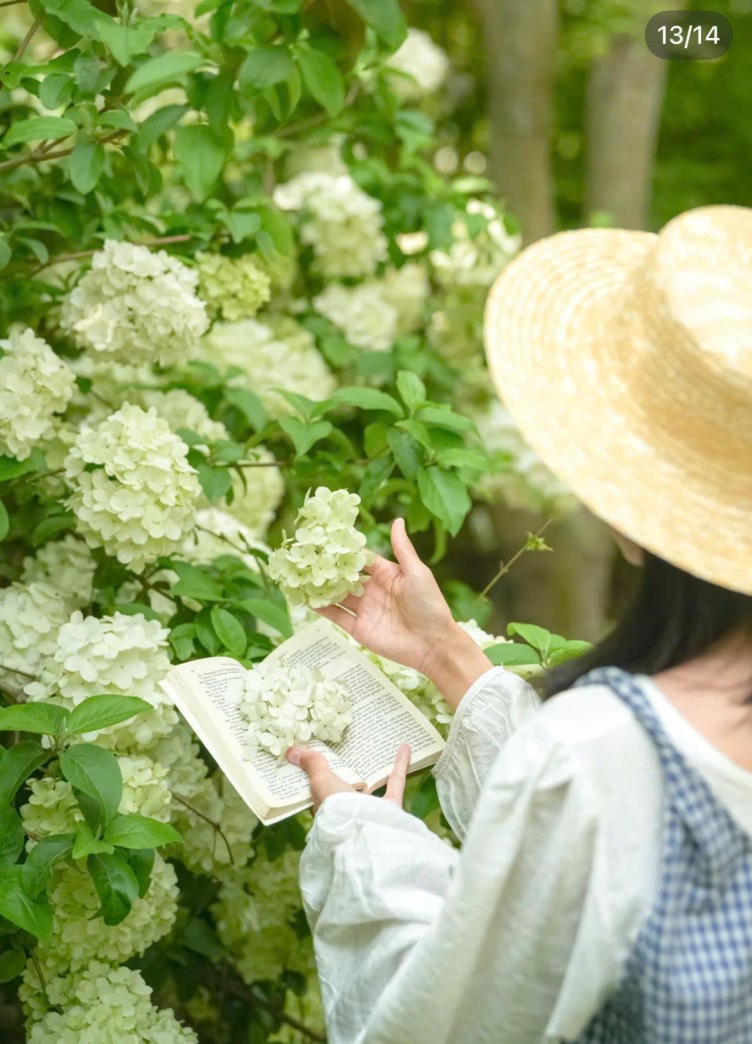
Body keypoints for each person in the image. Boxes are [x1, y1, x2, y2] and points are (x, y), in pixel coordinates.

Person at [285, 205, 752, 1043]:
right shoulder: (606, 760)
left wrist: (360, 841)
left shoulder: (600, 758)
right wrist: (444, 652)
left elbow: (443, 1024)